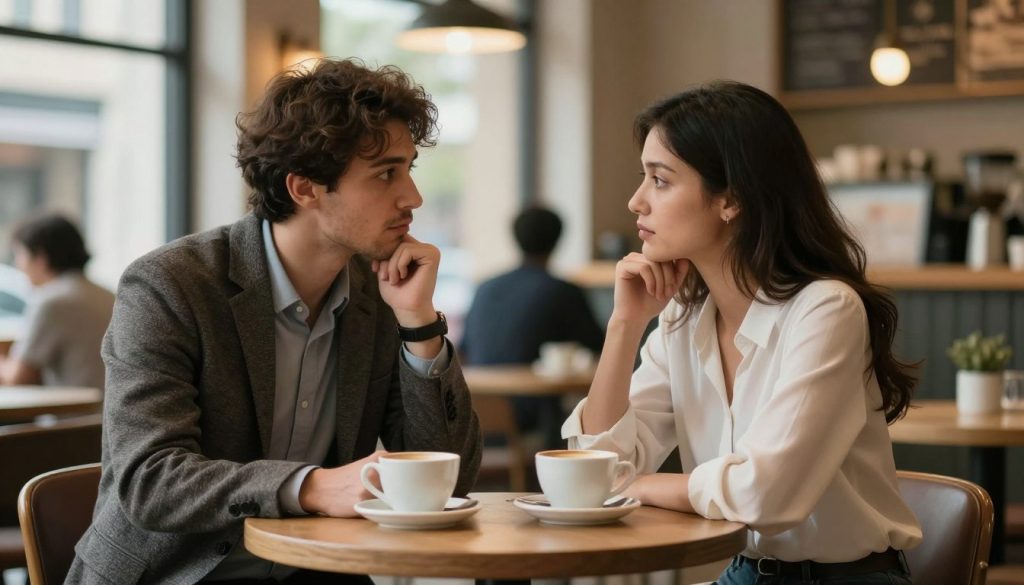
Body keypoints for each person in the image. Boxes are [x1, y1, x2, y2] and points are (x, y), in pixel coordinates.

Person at [67, 59, 481, 585]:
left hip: (316, 572)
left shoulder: (377, 299)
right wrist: (311, 487)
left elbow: (453, 477)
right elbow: (148, 480)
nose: (413, 198)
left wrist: (419, 323)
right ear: (305, 188)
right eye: (385, 174)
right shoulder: (170, 285)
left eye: (409, 170)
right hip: (172, 575)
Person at [562, 81, 922, 585]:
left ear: (730, 199)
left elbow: (767, 497)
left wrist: (640, 486)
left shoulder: (825, 309)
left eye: (660, 180)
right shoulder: (681, 320)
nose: (635, 201)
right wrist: (625, 325)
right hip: (744, 574)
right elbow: (592, 472)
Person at [461, 206, 603, 443]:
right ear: (558, 240)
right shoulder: (561, 291)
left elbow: (464, 349)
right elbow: (599, 345)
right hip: (528, 416)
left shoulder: (485, 288)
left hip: (475, 415)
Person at [1, 213, 114, 388]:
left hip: (72, 413)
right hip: (109, 412)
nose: (18, 264)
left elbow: (19, 378)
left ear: (40, 259)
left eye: (20, 254)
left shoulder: (52, 302)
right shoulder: (109, 295)